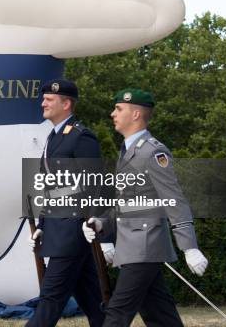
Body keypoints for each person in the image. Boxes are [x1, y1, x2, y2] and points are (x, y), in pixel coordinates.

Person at [82, 88, 209, 327]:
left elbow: (174, 200)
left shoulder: (153, 152)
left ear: (136, 114)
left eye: (119, 109)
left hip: (145, 245)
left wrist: (189, 247)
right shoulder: (128, 151)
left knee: (117, 313)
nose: (112, 114)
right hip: (133, 246)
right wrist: (102, 224)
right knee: (160, 316)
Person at [26, 79, 110, 327]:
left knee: (50, 298)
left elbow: (96, 185)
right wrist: (42, 223)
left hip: (73, 232)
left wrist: (102, 232)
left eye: (49, 99)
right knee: (94, 301)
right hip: (58, 229)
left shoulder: (80, 137)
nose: (43, 103)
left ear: (66, 103)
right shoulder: (52, 137)